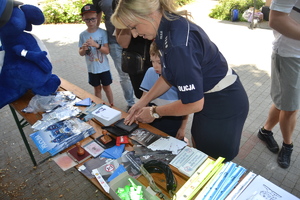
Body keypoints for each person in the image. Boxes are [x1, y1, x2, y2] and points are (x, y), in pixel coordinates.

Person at [111, 0, 249, 161]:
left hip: (222, 104)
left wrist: (154, 112)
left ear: (148, 14)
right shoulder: (167, 25)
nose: (134, 34)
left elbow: (193, 104)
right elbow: (169, 74)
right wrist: (143, 101)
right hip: (209, 99)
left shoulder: (177, 45)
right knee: (200, 148)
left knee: (212, 161)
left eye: (134, 27)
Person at [257, 0, 300, 168]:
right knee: (290, 107)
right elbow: (276, 19)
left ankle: (265, 131)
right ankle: (288, 145)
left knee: (285, 102)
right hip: (291, 55)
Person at [141, 41, 188, 140]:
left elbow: (187, 106)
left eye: (159, 63)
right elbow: (144, 98)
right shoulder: (150, 72)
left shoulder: (179, 78)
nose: (155, 66)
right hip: (152, 118)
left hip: (173, 120)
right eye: (152, 61)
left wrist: (182, 128)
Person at [92, 0, 135, 110]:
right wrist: (94, 32)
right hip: (114, 41)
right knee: (124, 74)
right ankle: (131, 104)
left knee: (141, 71)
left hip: (135, 39)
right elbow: (98, 13)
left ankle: (148, 102)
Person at [112, 0, 152, 99]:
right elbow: (123, 43)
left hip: (156, 58)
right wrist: (129, 22)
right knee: (141, 96)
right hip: (136, 61)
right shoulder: (118, 2)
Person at [78, 4, 114, 106]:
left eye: (93, 19)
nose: (90, 22)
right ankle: (99, 106)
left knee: (107, 87)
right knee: (97, 88)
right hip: (92, 69)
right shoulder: (83, 35)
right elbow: (80, 53)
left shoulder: (103, 33)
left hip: (104, 67)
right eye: (87, 20)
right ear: (83, 19)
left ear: (97, 17)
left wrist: (96, 45)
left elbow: (107, 51)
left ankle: (112, 105)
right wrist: (84, 49)